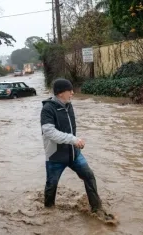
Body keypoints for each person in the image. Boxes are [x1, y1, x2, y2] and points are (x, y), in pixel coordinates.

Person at [40, 78, 111, 219]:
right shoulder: (47, 109)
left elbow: (70, 128)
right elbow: (49, 132)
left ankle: (97, 209)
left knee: (89, 177)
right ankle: (49, 214)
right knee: (51, 185)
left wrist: (77, 142)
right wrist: (73, 139)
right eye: (70, 90)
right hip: (55, 156)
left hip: (74, 154)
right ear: (60, 93)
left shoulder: (68, 105)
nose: (73, 93)